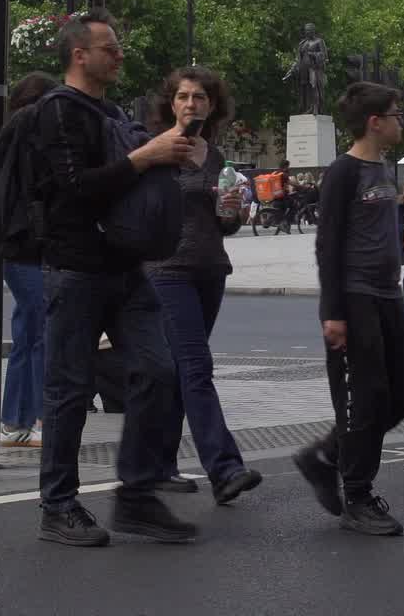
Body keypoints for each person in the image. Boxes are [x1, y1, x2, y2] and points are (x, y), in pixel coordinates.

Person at [32, 11, 198, 548]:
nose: (120, 54)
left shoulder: (111, 112)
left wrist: (162, 159)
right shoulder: (58, 111)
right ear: (80, 55)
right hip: (76, 267)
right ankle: (58, 505)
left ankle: (136, 495)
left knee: (160, 370)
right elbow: (75, 189)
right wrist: (146, 156)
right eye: (111, 46)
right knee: (69, 390)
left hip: (125, 267)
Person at [294, 82, 404, 536]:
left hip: (389, 293)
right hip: (355, 295)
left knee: (403, 393)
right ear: (374, 122)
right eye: (395, 113)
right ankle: (358, 495)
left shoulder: (384, 168)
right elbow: (327, 244)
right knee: (365, 400)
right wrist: (333, 312)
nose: (401, 120)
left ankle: (325, 454)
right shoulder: (343, 172)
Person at [145, 66, 264, 506]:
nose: (191, 104)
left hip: (210, 268)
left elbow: (223, 223)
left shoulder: (216, 158)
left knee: (181, 371)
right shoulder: (156, 151)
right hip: (167, 269)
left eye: (199, 97)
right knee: (196, 367)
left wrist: (231, 210)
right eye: (183, 96)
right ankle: (224, 468)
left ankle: (157, 466)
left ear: (212, 106)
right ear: (170, 103)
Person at [0, 72, 59, 449]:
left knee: (26, 331)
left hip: (15, 248)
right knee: (41, 333)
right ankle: (38, 419)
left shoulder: (8, 137)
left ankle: (13, 420)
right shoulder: (31, 138)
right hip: (30, 245)